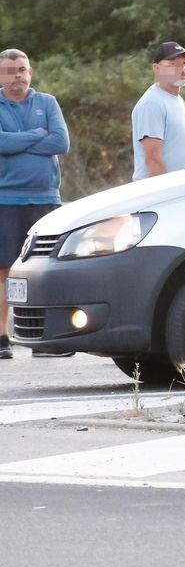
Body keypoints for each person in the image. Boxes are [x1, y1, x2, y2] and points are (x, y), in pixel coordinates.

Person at [0, 49, 70, 361]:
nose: (17, 75)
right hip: (6, 199)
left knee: (46, 269)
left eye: (22, 69)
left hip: (46, 198)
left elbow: (61, 142)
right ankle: (2, 338)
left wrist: (16, 141)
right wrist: (36, 136)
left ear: (31, 71)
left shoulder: (47, 102)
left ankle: (47, 339)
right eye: (11, 70)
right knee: (4, 271)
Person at [132, 41, 185, 181]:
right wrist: (167, 197)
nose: (182, 69)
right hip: (162, 195)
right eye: (172, 64)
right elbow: (153, 160)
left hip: (181, 191)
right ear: (157, 68)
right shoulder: (152, 103)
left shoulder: (176, 100)